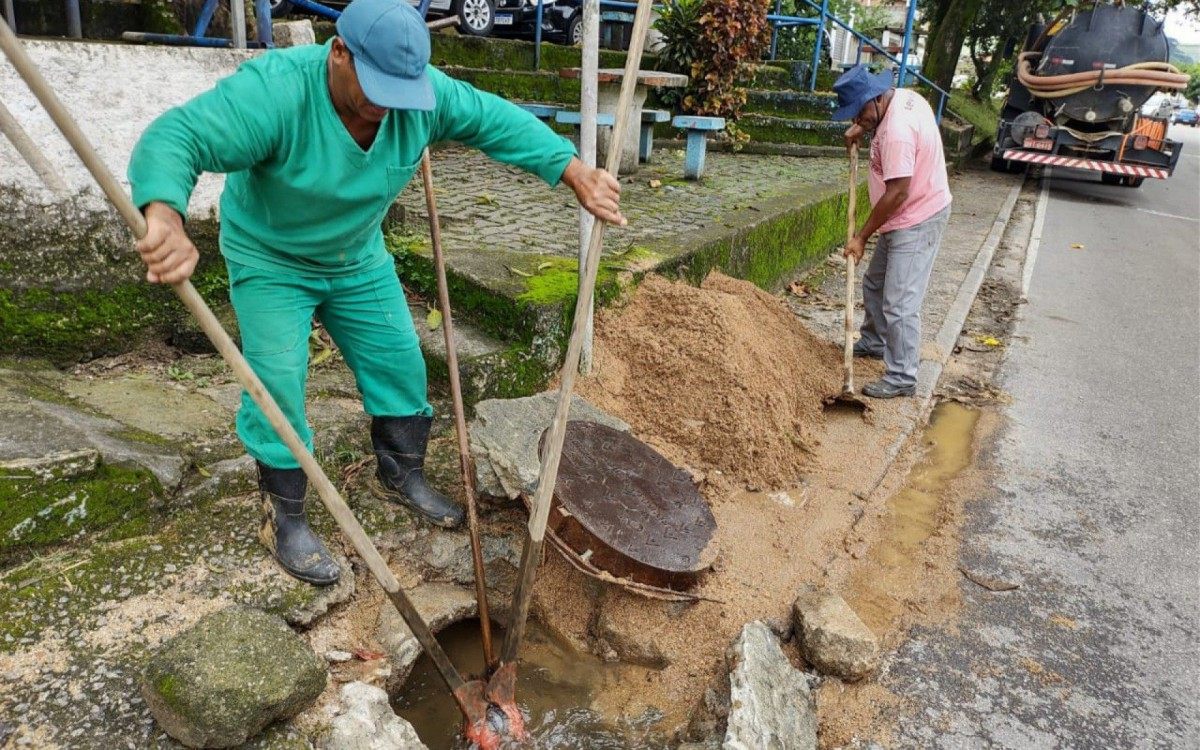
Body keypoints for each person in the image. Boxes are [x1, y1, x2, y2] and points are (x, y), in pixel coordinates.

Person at [127, 0, 624, 586]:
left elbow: (496, 121)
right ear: (339, 52)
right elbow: (177, 136)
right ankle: (282, 517)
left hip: (357, 254)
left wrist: (574, 172)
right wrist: (165, 216)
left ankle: (402, 472)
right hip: (271, 256)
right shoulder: (277, 92)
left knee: (399, 362)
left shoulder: (421, 95)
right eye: (376, 87)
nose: (389, 105)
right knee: (277, 380)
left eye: (401, 91)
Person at [835, 65, 952, 399]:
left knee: (900, 302)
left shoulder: (897, 131)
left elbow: (898, 192)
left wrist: (862, 236)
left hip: (916, 217)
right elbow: (878, 126)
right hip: (902, 213)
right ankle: (874, 342)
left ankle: (902, 375)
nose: (857, 118)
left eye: (859, 112)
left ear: (874, 99)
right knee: (875, 282)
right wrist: (863, 127)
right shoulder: (903, 98)